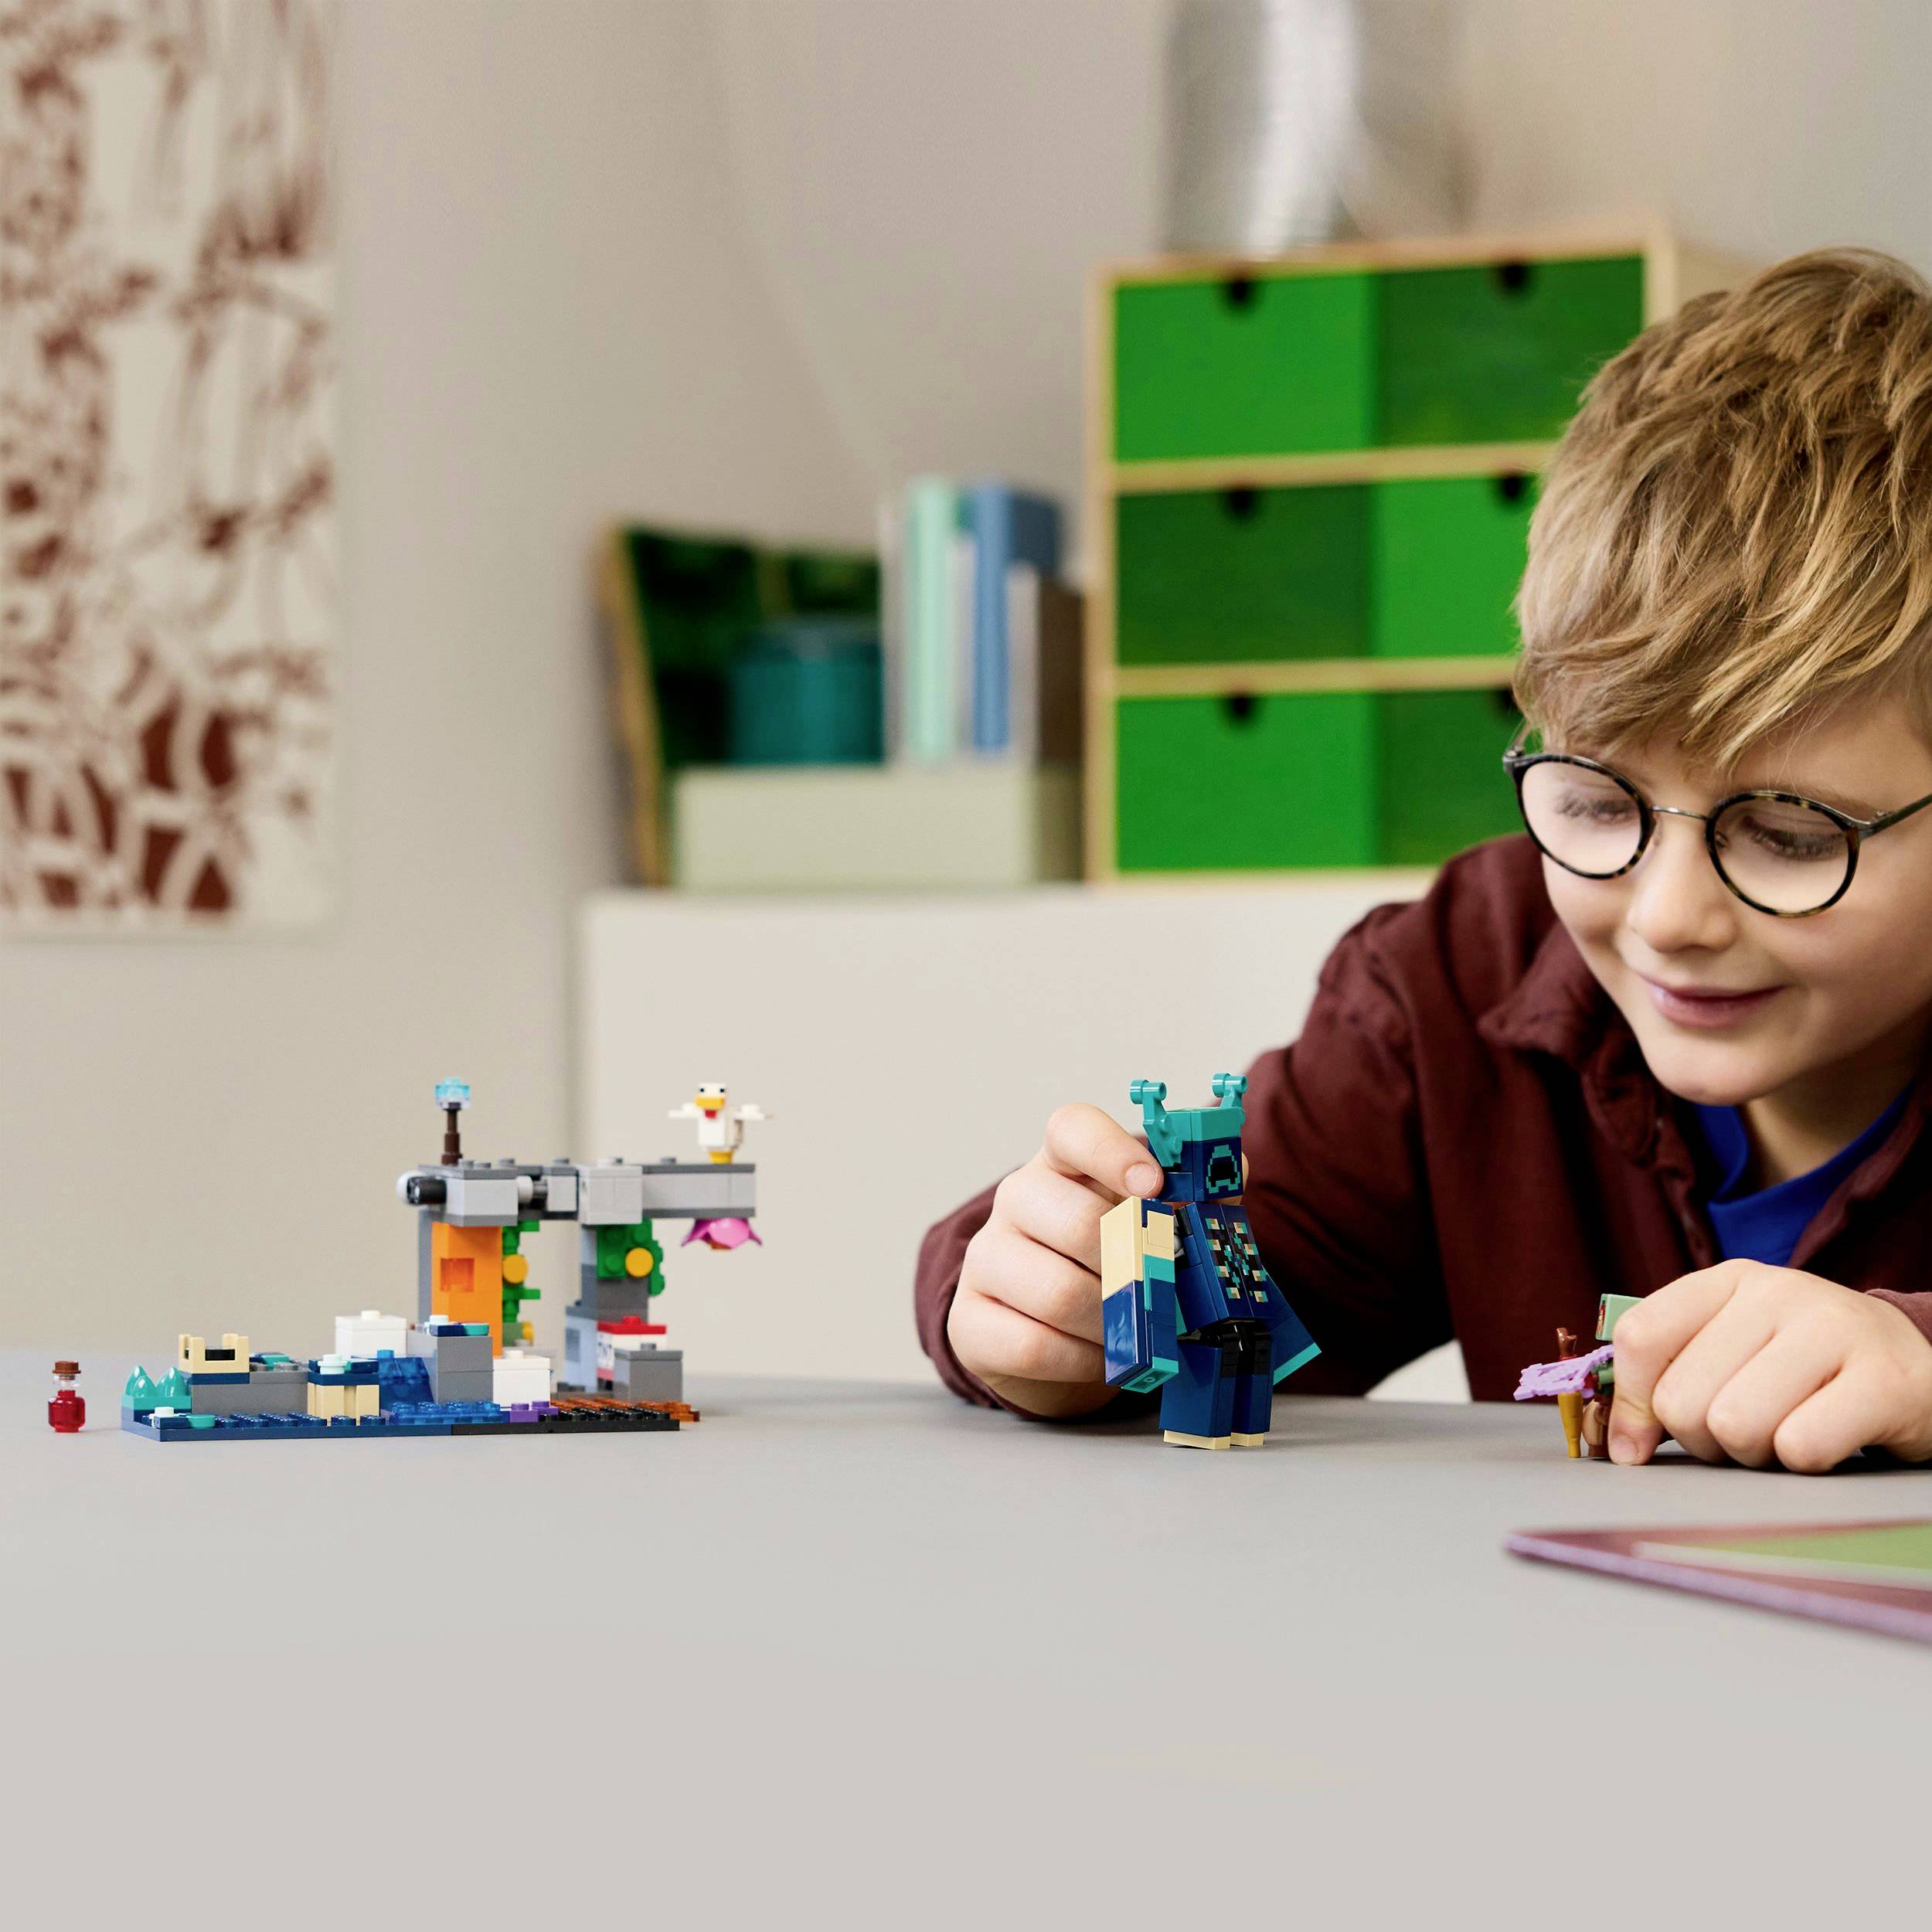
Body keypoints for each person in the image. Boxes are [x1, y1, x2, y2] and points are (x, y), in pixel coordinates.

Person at [915, 246, 1932, 1473]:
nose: (1666, 918)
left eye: (1788, 835)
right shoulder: (1463, 979)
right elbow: (1214, 1283)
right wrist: (1038, 1295)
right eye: (1599, 802)